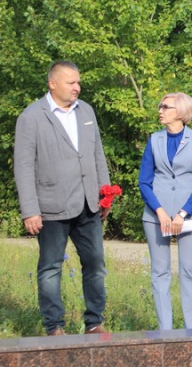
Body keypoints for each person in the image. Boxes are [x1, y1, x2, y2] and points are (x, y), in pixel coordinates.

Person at [14, 61, 111, 335]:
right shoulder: (32, 117)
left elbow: (97, 154)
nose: (77, 87)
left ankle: (94, 322)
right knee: (50, 267)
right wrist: (30, 210)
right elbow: (23, 166)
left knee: (95, 263)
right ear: (52, 83)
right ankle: (54, 326)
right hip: (51, 206)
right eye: (71, 83)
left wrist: (105, 194)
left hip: (88, 204)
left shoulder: (86, 111)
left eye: (78, 82)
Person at [139, 92, 192, 330]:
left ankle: (191, 329)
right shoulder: (154, 140)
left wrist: (182, 214)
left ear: (180, 112)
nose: (160, 110)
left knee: (188, 270)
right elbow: (144, 182)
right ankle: (165, 331)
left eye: (165, 107)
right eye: (160, 106)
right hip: (155, 216)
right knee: (160, 272)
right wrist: (159, 212)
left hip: (188, 217)